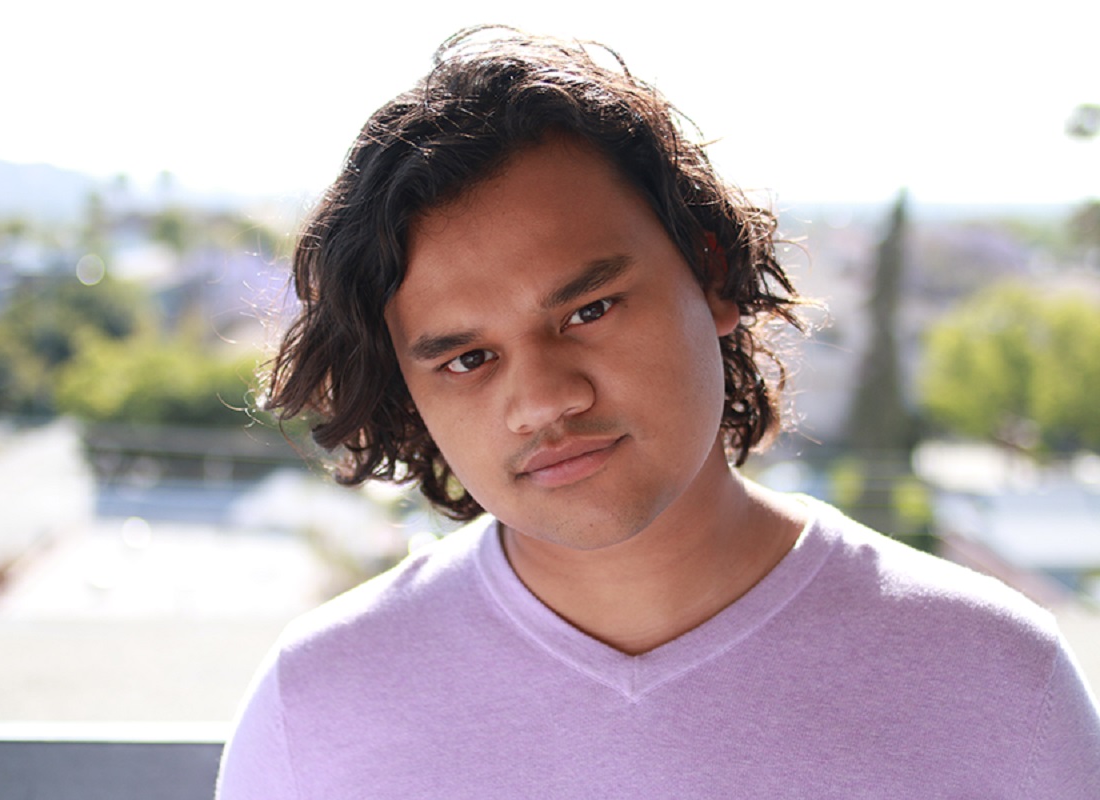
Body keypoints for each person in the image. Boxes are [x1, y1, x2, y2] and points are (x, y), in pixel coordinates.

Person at [217, 27, 1100, 798]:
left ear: (709, 274)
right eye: (468, 359)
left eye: (589, 310)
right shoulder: (317, 708)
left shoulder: (994, 680)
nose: (544, 399)